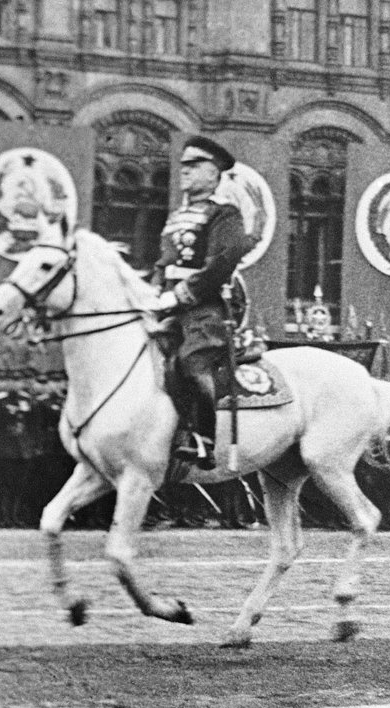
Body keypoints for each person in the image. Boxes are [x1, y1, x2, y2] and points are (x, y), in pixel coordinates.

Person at [143, 136, 255, 469]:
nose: (185, 172)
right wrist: (153, 291)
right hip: (169, 308)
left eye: (194, 166)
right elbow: (164, 262)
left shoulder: (225, 214)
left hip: (204, 310)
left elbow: (222, 261)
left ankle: (202, 438)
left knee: (192, 363)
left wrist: (181, 294)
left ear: (214, 172)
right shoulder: (177, 216)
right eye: (184, 166)